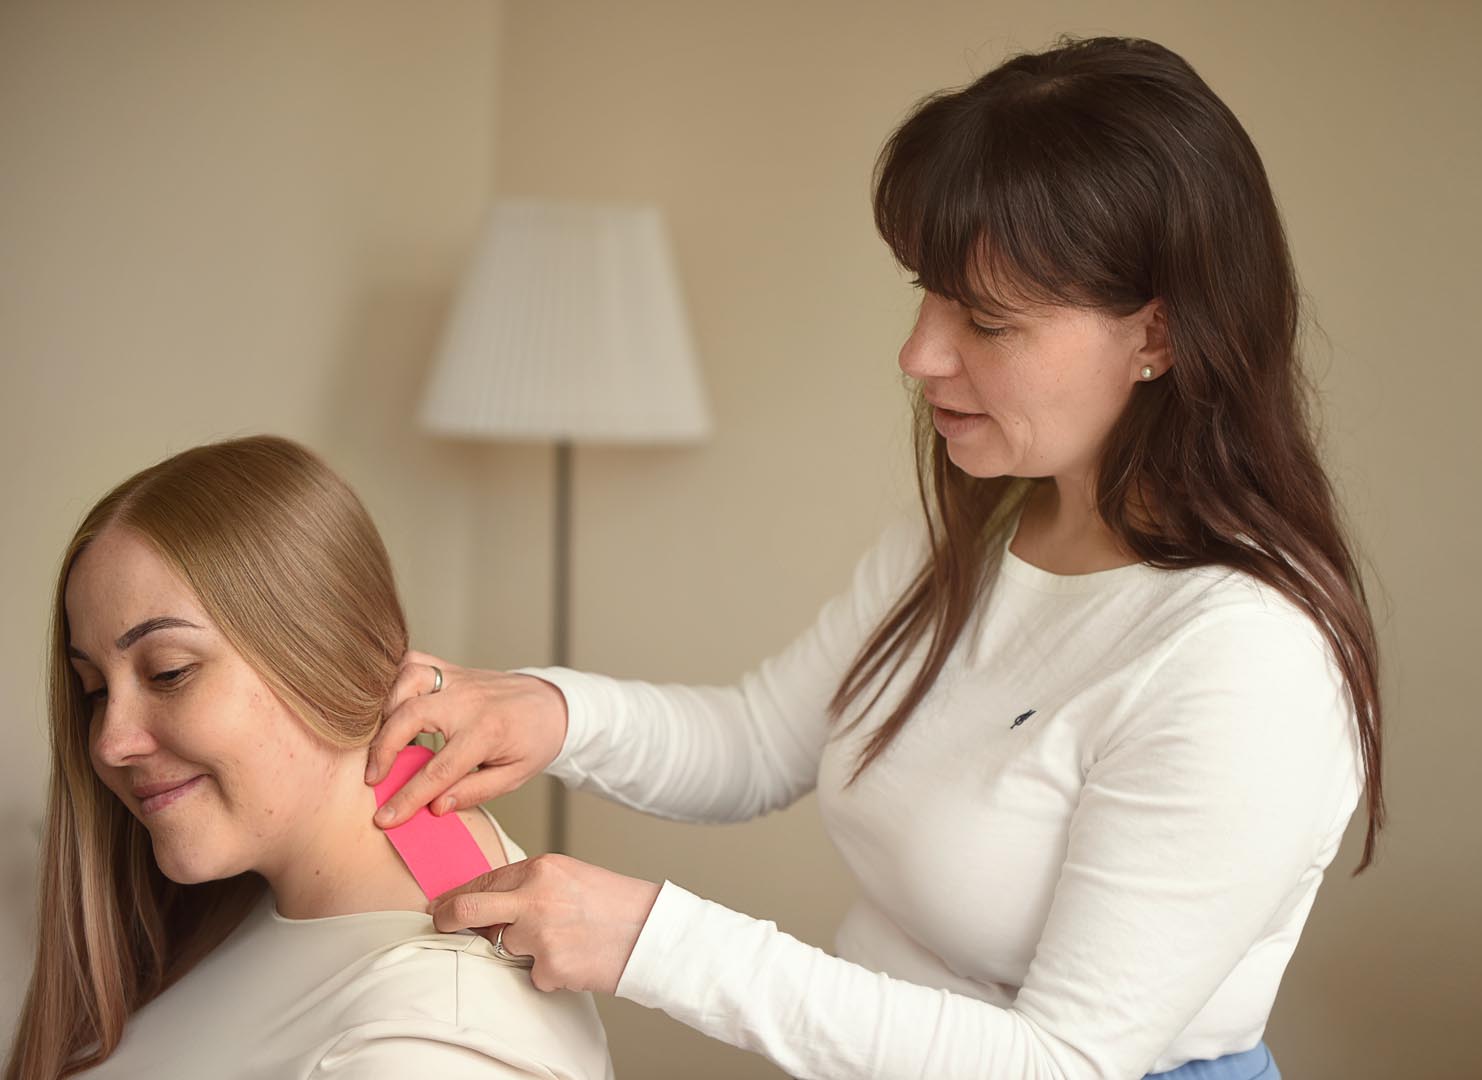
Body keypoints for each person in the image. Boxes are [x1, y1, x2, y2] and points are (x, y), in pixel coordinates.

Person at [365, 34, 1384, 1080]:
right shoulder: (975, 538)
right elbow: (759, 741)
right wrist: (546, 710)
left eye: (986, 320)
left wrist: (651, 942)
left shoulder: (1244, 662)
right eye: (927, 293)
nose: (918, 354)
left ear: (1157, 336)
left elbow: (1063, 1064)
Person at [4, 436, 614, 1080]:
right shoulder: (248, 891)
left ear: (327, 652)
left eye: (169, 672)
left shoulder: (431, 1045)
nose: (108, 742)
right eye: (95, 690)